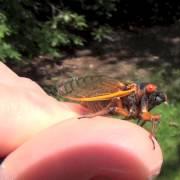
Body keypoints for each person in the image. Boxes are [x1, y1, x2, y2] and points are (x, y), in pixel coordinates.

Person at [0, 62, 162, 179]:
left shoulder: (144, 103)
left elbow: (145, 115)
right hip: (103, 101)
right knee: (114, 106)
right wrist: (91, 115)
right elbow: (115, 106)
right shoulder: (131, 90)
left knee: (155, 119)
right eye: (149, 90)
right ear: (143, 89)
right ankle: (91, 116)